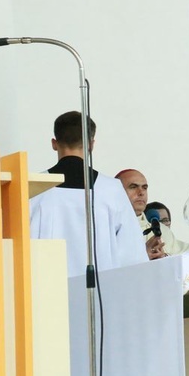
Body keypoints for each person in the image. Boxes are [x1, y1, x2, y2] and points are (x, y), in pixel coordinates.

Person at [29, 111, 150, 276]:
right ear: (91, 145)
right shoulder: (111, 189)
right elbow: (132, 254)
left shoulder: (33, 187)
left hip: (46, 290)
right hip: (99, 294)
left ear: (54, 143)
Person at [115, 169, 189, 256]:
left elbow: (188, 256)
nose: (141, 193)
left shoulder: (162, 230)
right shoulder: (107, 228)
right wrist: (142, 256)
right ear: (116, 192)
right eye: (133, 187)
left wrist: (164, 256)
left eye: (144, 188)